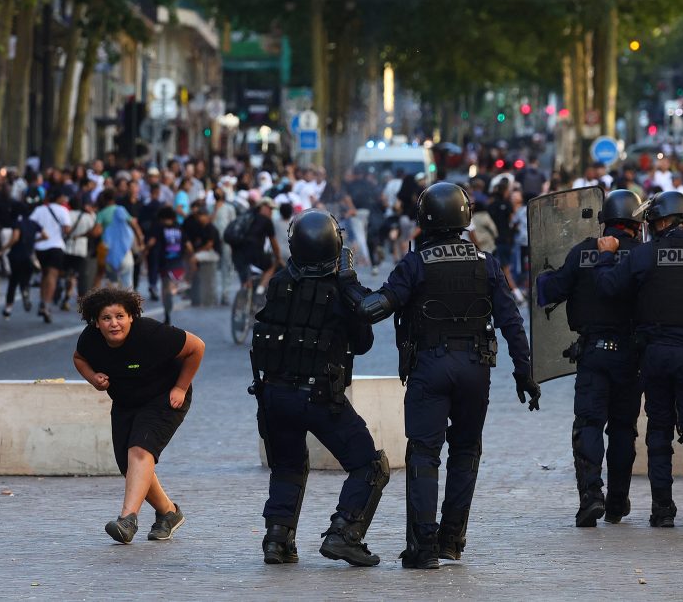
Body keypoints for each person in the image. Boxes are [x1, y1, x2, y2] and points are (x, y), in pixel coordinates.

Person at [350, 182, 538, 569]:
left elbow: (376, 308)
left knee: (424, 453)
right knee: (467, 451)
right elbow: (511, 321)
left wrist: (345, 283)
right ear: (464, 218)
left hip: (429, 369)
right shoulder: (486, 263)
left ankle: (423, 548)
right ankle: (452, 541)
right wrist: (525, 371)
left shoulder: (415, 264)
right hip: (475, 368)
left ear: (425, 220)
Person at [249, 210, 389, 567]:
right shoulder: (341, 291)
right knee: (369, 466)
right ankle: (344, 534)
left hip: (275, 395)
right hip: (320, 397)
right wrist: (349, 282)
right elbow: (363, 342)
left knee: (288, 465)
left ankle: (277, 540)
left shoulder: (279, 281)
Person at [594, 190, 683, 527]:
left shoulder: (644, 255)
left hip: (654, 353)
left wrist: (606, 256)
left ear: (664, 220)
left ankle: (663, 509)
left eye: (653, 221)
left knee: (659, 430)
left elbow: (609, 288)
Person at [535, 190, 644, 526]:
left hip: (593, 353)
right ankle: (616, 502)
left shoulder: (583, 252)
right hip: (631, 356)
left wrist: (544, 273)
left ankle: (590, 498)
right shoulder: (644, 255)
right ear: (636, 226)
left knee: (589, 425)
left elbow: (548, 293)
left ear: (604, 223)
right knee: (624, 430)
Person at [72, 288, 205, 544]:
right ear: (96, 322)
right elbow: (79, 358)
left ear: (132, 316)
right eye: (106, 318)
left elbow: (196, 347)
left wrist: (181, 387)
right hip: (126, 401)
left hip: (164, 397)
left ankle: (127, 520)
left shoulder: (152, 334)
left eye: (120, 316)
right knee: (128, 464)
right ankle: (168, 513)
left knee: (140, 450)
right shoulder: (90, 340)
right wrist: (93, 378)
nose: (114, 324)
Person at [30, 188, 71, 323]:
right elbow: (67, 229)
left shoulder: (39, 210)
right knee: (52, 276)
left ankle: (42, 301)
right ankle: (46, 305)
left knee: (44, 275)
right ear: (59, 198)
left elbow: (31, 224)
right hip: (55, 246)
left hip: (40, 247)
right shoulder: (62, 210)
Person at [147, 206, 191, 325]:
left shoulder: (159, 227)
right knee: (172, 285)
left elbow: (151, 242)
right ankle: (175, 290)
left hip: (164, 263)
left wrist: (144, 250)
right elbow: (188, 246)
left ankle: (167, 313)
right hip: (178, 263)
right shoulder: (179, 228)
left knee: (165, 289)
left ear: (162, 218)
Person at [0, 200, 43, 320]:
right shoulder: (33, 223)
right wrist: (34, 241)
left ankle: (8, 310)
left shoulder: (17, 223)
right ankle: (25, 290)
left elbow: (15, 238)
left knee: (13, 282)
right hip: (28, 256)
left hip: (16, 255)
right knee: (25, 279)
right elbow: (45, 235)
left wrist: (2, 249)